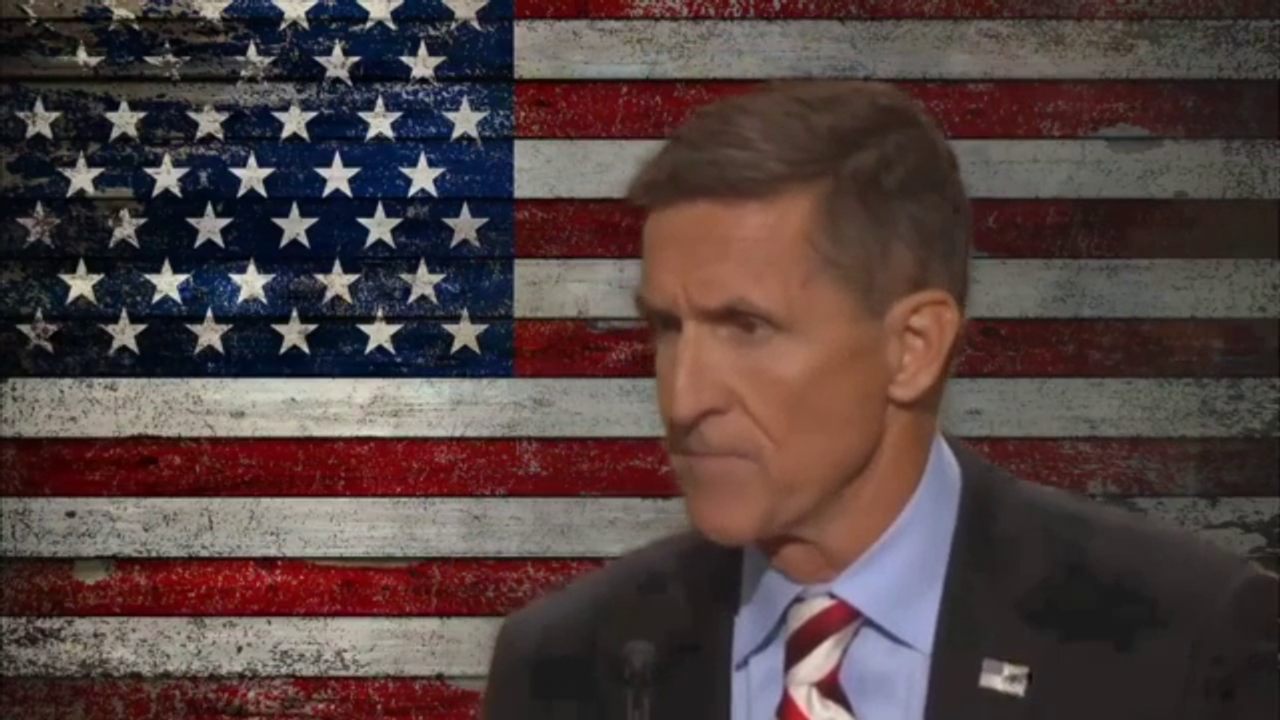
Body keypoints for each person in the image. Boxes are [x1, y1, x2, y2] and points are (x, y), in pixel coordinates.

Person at [480, 80, 1277, 720]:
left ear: (913, 347)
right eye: (666, 326)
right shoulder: (565, 666)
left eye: (746, 327)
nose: (683, 398)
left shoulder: (1179, 644)